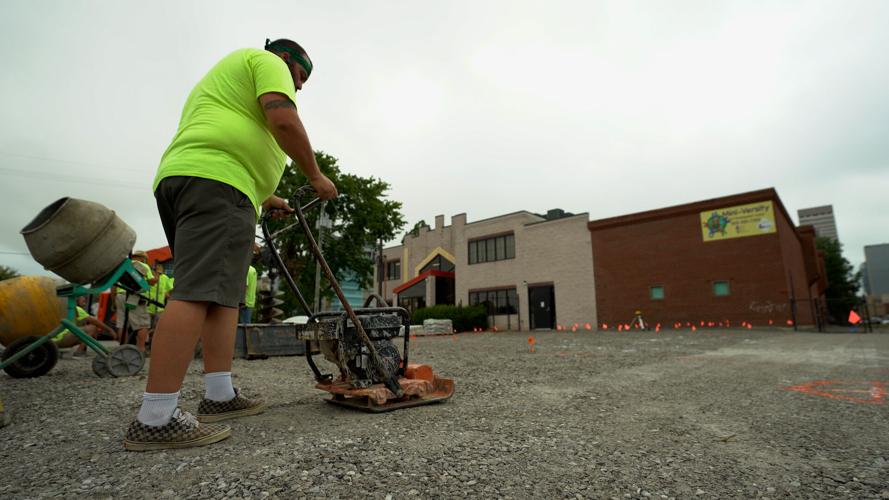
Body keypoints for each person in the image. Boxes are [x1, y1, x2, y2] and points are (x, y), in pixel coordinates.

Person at [124, 38, 337, 451]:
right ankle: (155, 417)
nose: (300, 87)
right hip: (220, 182)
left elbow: (232, 133)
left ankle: (219, 396)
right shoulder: (267, 62)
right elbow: (283, 121)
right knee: (197, 292)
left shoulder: (225, 80)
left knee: (222, 297)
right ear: (288, 60)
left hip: (199, 181)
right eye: (300, 78)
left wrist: (265, 195)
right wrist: (315, 174)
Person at [116, 250, 157, 353]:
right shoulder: (143, 265)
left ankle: (122, 350)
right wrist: (156, 277)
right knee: (142, 324)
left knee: (122, 323)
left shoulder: (124, 265)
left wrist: (113, 301)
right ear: (143, 258)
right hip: (134, 297)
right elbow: (151, 282)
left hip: (120, 295)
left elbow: (114, 286)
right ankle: (140, 351)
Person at [53, 296, 117, 355]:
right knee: (92, 328)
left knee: (84, 329)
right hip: (60, 340)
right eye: (83, 299)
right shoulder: (77, 309)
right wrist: (110, 330)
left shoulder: (65, 308)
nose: (85, 300)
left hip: (53, 340)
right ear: (76, 300)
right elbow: (95, 322)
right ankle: (79, 352)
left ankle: (83, 349)